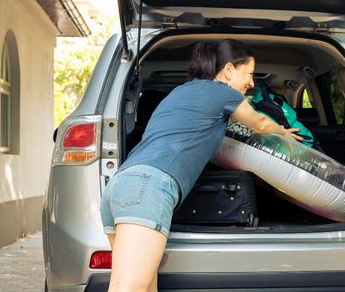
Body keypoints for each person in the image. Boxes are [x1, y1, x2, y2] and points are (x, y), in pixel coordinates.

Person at [100, 39, 303, 292]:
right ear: (229, 70)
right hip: (148, 190)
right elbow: (259, 123)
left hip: (120, 187)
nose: (251, 83)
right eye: (249, 74)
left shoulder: (181, 91)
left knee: (140, 287)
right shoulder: (223, 93)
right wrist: (283, 132)